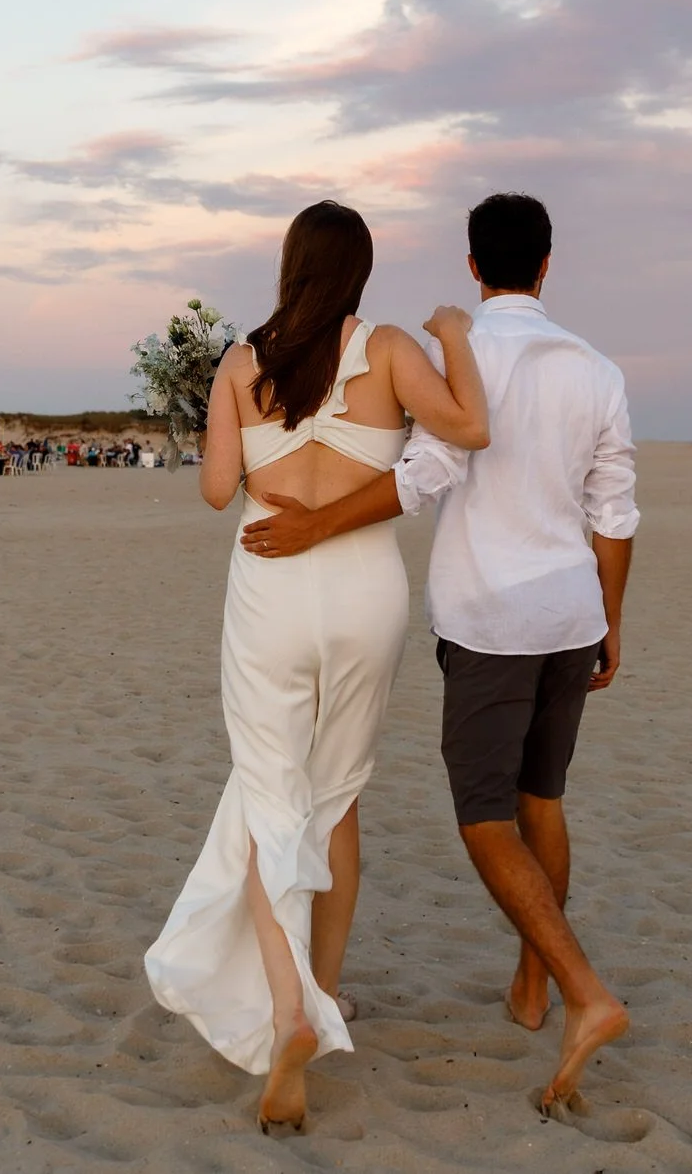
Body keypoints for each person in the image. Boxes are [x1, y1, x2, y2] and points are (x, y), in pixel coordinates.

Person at [237, 192, 638, 1112]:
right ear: (546, 265)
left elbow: (425, 475)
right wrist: (612, 616)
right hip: (573, 613)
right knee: (545, 799)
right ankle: (529, 986)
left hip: (491, 619)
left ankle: (581, 991)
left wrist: (317, 526)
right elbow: (613, 508)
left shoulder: (456, 355)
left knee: (484, 818)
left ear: (471, 264)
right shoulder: (596, 369)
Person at [145, 200, 490, 1134]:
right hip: (364, 591)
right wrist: (455, 336)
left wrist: (241, 429)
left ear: (290, 264)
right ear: (360, 271)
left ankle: (288, 1010)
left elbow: (219, 489)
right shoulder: (383, 349)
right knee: (336, 798)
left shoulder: (241, 361)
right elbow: (468, 427)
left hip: (268, 587)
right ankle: (321, 994)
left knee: (271, 794)